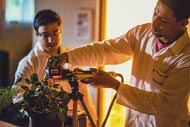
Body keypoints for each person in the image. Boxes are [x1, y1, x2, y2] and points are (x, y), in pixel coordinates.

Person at [47, 0, 190, 127]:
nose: (155, 23)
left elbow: (164, 104)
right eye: (155, 14)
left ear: (183, 23)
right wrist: (67, 57)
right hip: (135, 121)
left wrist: (115, 85)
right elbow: (106, 50)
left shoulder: (186, 58)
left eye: (163, 20)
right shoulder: (142, 33)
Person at [12, 9, 97, 126]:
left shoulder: (71, 56)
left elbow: (83, 93)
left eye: (55, 33)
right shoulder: (28, 63)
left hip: (71, 121)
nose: (51, 40)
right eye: (45, 35)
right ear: (37, 34)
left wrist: (91, 121)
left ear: (61, 31)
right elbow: (18, 98)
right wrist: (40, 112)